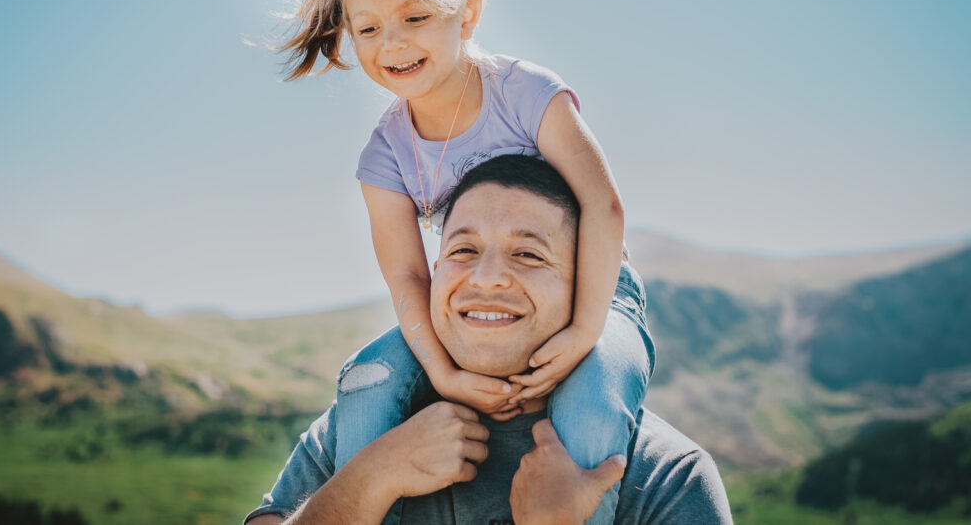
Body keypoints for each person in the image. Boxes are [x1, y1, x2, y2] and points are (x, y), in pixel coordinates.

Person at [276, 0, 652, 523]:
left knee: (592, 402)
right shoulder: (385, 155)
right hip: (466, 298)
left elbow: (604, 206)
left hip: (596, 286)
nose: (392, 44)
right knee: (367, 381)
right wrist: (443, 374)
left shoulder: (525, 93)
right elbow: (406, 275)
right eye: (368, 29)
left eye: (416, 18)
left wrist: (587, 329)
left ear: (468, 12)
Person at [244, 155, 733, 524]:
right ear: (435, 275)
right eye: (464, 249)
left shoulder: (668, 475)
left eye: (528, 255)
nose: (487, 277)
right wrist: (369, 481)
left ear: (589, 285)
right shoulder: (355, 432)